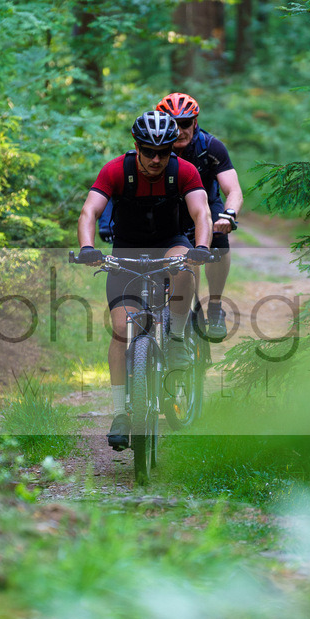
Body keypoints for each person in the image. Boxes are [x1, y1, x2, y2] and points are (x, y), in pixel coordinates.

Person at [76, 111, 214, 450]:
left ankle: (178, 340)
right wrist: (87, 247)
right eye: (149, 151)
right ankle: (121, 412)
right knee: (122, 332)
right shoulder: (115, 171)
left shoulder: (184, 171)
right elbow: (89, 211)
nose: (156, 159)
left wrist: (200, 247)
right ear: (136, 146)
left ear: (171, 150)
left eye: (163, 152)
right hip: (125, 251)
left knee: (184, 268)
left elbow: (202, 213)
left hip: (170, 243)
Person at [156, 92, 243, 341]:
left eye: (185, 123)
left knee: (218, 237)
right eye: (173, 124)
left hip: (206, 204)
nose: (180, 130)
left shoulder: (210, 147)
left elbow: (233, 189)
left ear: (195, 122)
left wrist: (228, 214)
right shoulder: (154, 147)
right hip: (168, 206)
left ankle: (215, 306)